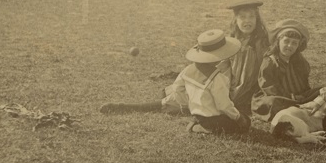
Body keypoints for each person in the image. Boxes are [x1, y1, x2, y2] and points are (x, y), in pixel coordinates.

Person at [101, 29, 251, 135]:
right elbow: (224, 105)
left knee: (167, 102)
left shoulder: (188, 69)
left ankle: (123, 107)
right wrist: (239, 118)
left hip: (195, 111)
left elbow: (177, 88)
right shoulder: (218, 77)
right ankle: (200, 128)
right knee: (242, 123)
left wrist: (193, 99)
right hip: (209, 116)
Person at [251, 19, 321, 122]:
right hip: (279, 96)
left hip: (299, 95)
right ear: (278, 41)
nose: (289, 46)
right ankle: (299, 107)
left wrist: (303, 95)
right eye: (286, 41)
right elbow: (269, 87)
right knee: (273, 102)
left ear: (298, 46)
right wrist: (291, 96)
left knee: (322, 90)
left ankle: (300, 105)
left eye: (294, 43)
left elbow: (304, 82)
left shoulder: (300, 62)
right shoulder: (270, 61)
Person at [220, 0, 270, 116]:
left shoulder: (262, 41)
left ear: (257, 20)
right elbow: (224, 68)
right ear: (235, 21)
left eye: (251, 17)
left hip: (252, 88)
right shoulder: (230, 42)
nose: (247, 21)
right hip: (232, 84)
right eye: (242, 17)